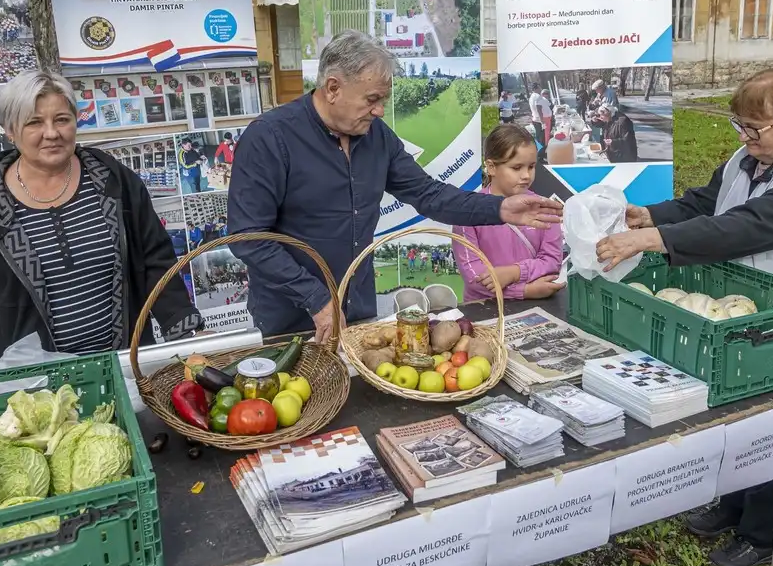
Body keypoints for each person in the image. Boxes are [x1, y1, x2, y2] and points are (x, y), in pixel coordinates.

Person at [594, 69, 773, 566]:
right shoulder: (750, 157)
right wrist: (649, 215)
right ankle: (731, 505)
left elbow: (739, 228)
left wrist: (651, 243)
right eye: (740, 125)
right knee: (741, 416)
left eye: (756, 128)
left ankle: (763, 533)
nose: (745, 137)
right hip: (750, 314)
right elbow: (707, 202)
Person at [227, 30, 562, 342]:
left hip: (358, 307)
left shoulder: (377, 137)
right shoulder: (269, 138)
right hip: (291, 318)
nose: (380, 110)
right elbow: (249, 238)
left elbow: (428, 194)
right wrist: (316, 298)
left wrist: (500, 208)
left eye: (383, 99)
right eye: (372, 99)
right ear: (332, 88)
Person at [0, 70, 204, 379]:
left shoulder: (113, 182)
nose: (51, 133)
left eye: (62, 119)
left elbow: (155, 260)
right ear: (10, 130)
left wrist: (184, 327)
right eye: (34, 122)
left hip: (119, 372)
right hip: (26, 389)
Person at [453, 124, 564, 302]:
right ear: (491, 167)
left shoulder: (545, 208)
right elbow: (474, 278)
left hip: (538, 307)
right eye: (516, 167)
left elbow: (552, 263)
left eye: (531, 166)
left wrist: (513, 272)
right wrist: (524, 291)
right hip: (483, 310)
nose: (526, 175)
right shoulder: (468, 212)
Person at [528, 82, 552, 156]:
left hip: (535, 119)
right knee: (542, 139)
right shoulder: (538, 96)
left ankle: (539, 154)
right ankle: (541, 156)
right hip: (539, 120)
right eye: (539, 87)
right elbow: (539, 108)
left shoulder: (532, 96)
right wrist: (542, 122)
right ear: (536, 88)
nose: (540, 89)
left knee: (539, 138)